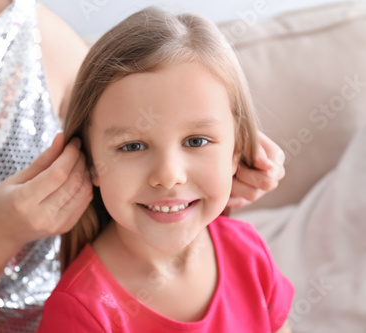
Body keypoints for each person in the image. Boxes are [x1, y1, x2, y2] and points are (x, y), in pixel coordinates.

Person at [0, 0, 284, 332]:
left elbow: (138, 114)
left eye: (197, 141)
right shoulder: (84, 307)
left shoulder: (18, 21)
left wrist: (230, 165)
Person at [37, 7, 294, 333]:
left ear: (236, 151)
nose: (169, 175)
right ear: (89, 162)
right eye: (132, 146)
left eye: (197, 141)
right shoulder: (82, 311)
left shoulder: (248, 252)